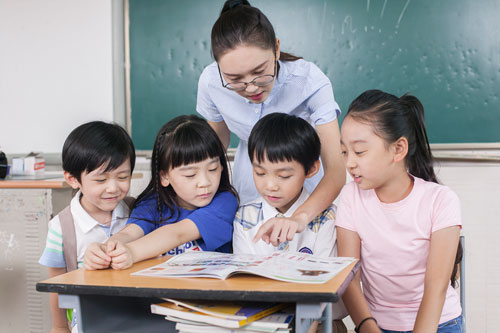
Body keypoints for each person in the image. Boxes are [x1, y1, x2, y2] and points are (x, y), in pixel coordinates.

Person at [197, 0, 346, 246]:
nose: (251, 87)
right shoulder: (211, 82)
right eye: (235, 79)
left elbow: (336, 171)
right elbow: (215, 148)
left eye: (259, 72)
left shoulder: (308, 80)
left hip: (305, 192)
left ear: (276, 49)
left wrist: (299, 218)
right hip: (251, 184)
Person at [336, 90, 463, 333]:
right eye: (344, 152)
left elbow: (435, 287)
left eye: (359, 151)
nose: (350, 162)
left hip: (439, 323)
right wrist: (367, 327)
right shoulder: (351, 197)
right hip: (377, 325)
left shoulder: (441, 200)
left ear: (398, 149)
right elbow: (349, 277)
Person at [233, 113, 347, 333]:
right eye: (259, 172)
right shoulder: (245, 218)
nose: (270, 185)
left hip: (321, 322)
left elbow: (325, 292)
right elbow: (246, 285)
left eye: (283, 176)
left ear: (312, 169)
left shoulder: (327, 219)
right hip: (262, 320)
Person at [84, 115, 239, 271]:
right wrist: (106, 249)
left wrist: (132, 252)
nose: (205, 182)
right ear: (165, 176)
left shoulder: (224, 203)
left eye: (212, 169)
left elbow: (178, 234)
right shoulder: (153, 203)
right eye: (190, 175)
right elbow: (130, 234)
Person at [39, 121, 136, 333]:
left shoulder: (137, 213)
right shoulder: (62, 227)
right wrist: (59, 328)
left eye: (123, 177)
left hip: (136, 320)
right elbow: (57, 285)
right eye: (101, 180)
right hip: (86, 325)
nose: (113, 188)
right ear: (73, 179)